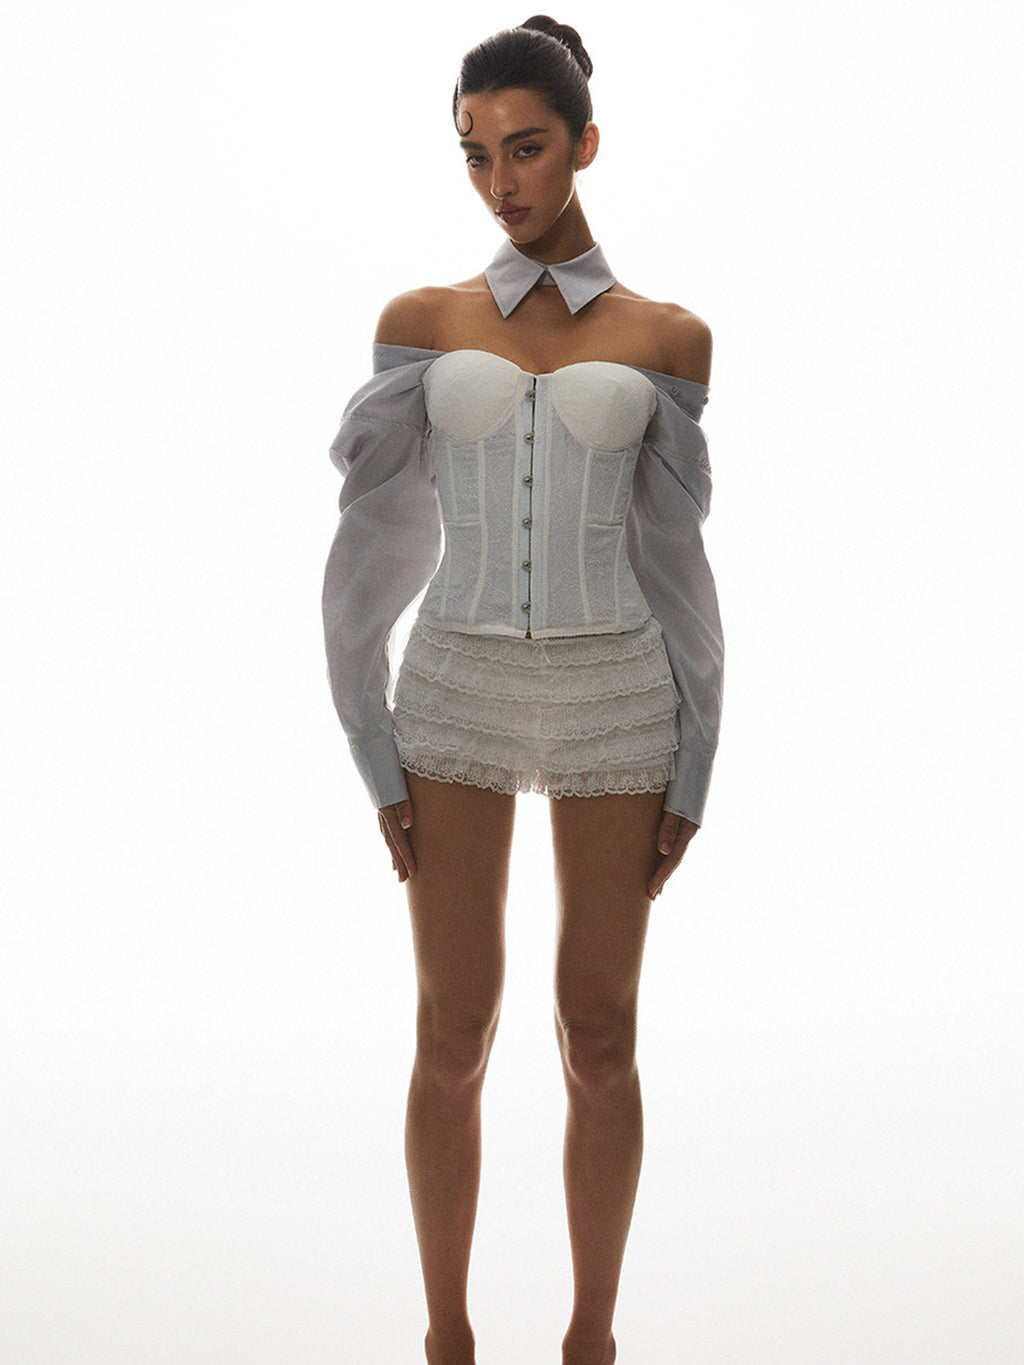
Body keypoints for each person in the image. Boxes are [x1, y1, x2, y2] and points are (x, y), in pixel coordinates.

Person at [322, 16, 724, 1365]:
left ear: (586, 144)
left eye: (527, 148)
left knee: (599, 1034)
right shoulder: (420, 325)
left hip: (619, 690)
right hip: (458, 686)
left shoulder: (669, 337)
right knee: (454, 1027)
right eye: (476, 154)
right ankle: (447, 1340)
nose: (500, 180)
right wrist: (371, 740)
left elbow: (679, 569)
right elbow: (369, 555)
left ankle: (590, 1342)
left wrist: (699, 756)